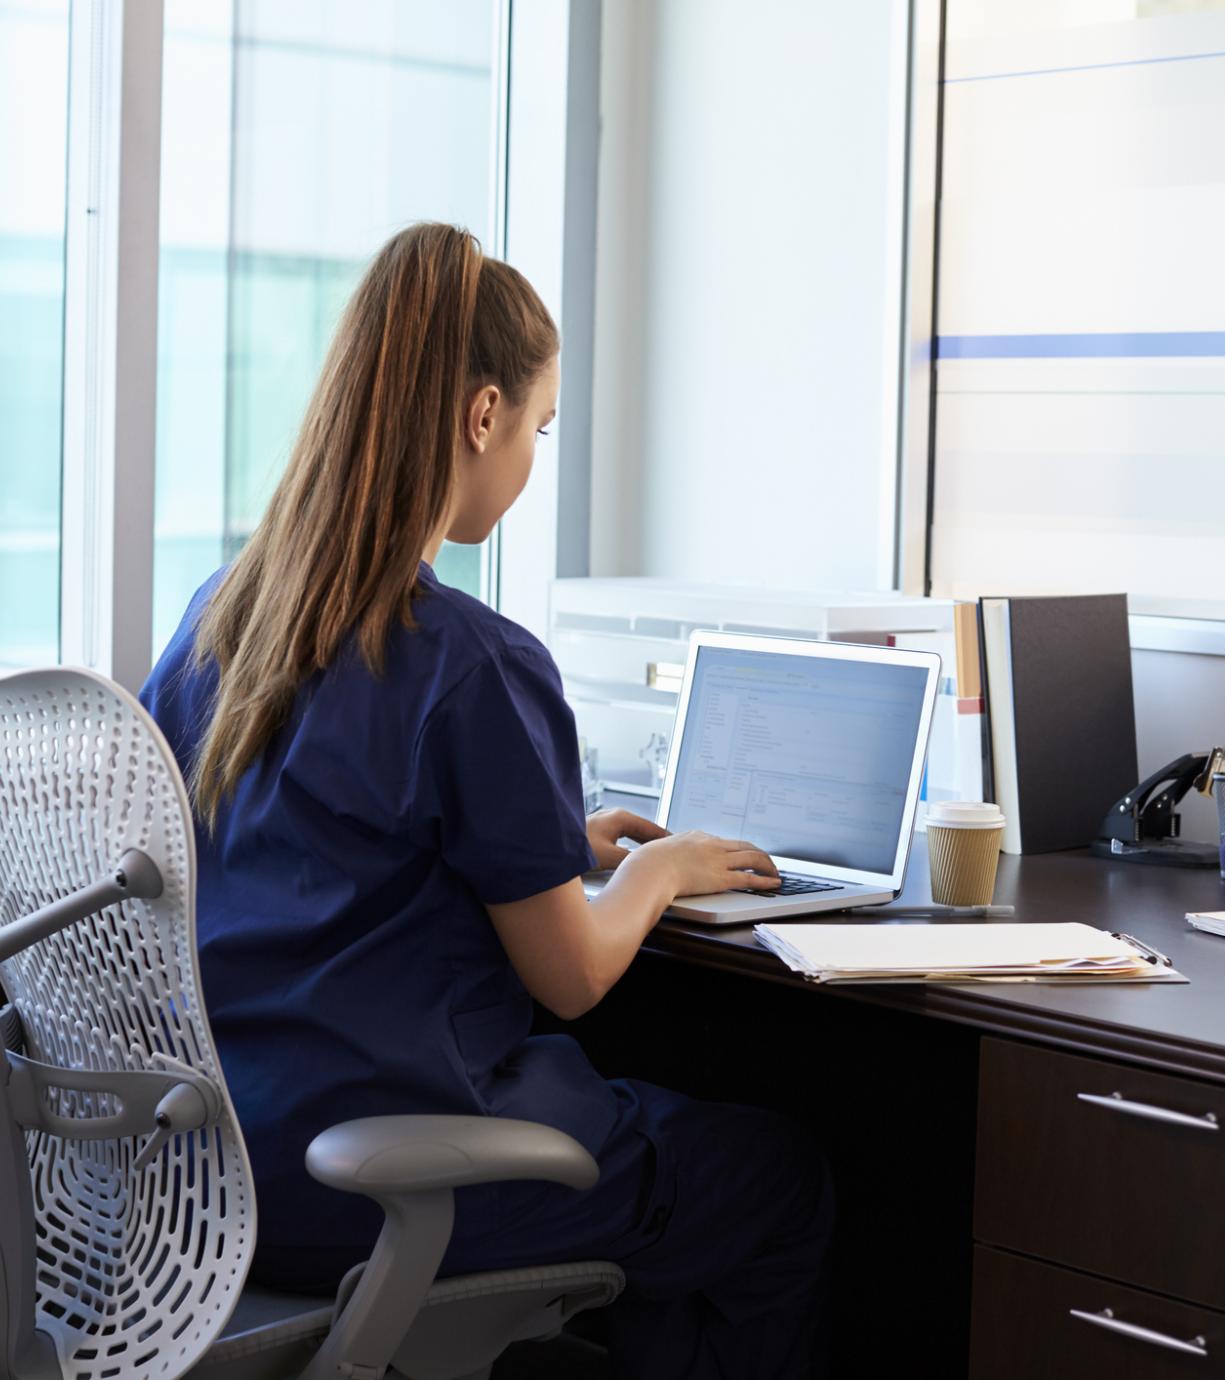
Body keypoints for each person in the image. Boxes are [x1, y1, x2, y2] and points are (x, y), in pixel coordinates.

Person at [141, 223, 832, 1379]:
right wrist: (655, 872)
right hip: (387, 1181)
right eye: (539, 427)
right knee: (774, 1180)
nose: (528, 457)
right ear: (480, 415)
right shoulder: (471, 661)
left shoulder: (225, 616)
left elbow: (307, 845)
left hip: (218, 1170)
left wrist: (550, 852)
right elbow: (569, 976)